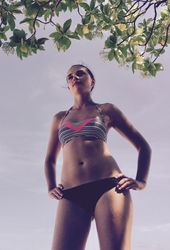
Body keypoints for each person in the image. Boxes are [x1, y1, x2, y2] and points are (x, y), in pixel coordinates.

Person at [44, 64, 152, 250]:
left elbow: (143, 147)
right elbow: (50, 160)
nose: (74, 78)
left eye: (80, 73)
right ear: (68, 86)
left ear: (92, 81)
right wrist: (51, 187)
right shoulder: (60, 118)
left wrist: (141, 181)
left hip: (110, 187)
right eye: (69, 76)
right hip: (71, 194)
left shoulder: (106, 110)